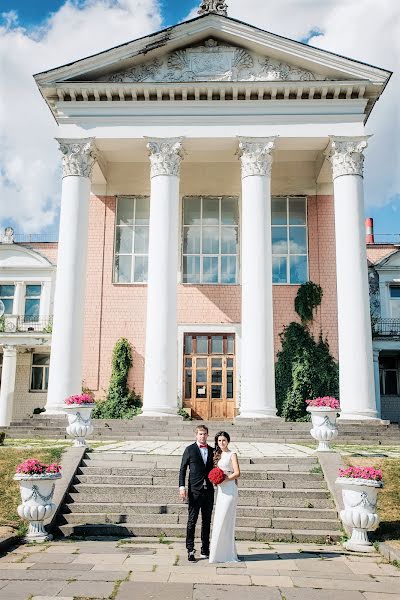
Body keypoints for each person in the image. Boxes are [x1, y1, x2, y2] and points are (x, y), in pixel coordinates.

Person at [179, 424, 215, 562]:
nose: (202, 436)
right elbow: (182, 469)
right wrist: (182, 487)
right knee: (192, 520)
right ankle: (190, 549)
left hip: (209, 491)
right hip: (194, 491)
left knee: (207, 521)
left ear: (208, 435)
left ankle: (205, 549)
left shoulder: (212, 451)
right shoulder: (190, 449)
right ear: (196, 435)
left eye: (205, 434)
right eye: (200, 434)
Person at [209, 430, 241, 564]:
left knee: (226, 519)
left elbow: (238, 472)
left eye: (224, 440)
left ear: (228, 441)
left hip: (230, 489)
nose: (221, 443)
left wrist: (225, 479)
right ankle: (218, 553)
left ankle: (228, 554)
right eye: (219, 441)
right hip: (221, 490)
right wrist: (215, 479)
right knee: (219, 519)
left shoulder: (232, 454)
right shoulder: (217, 455)